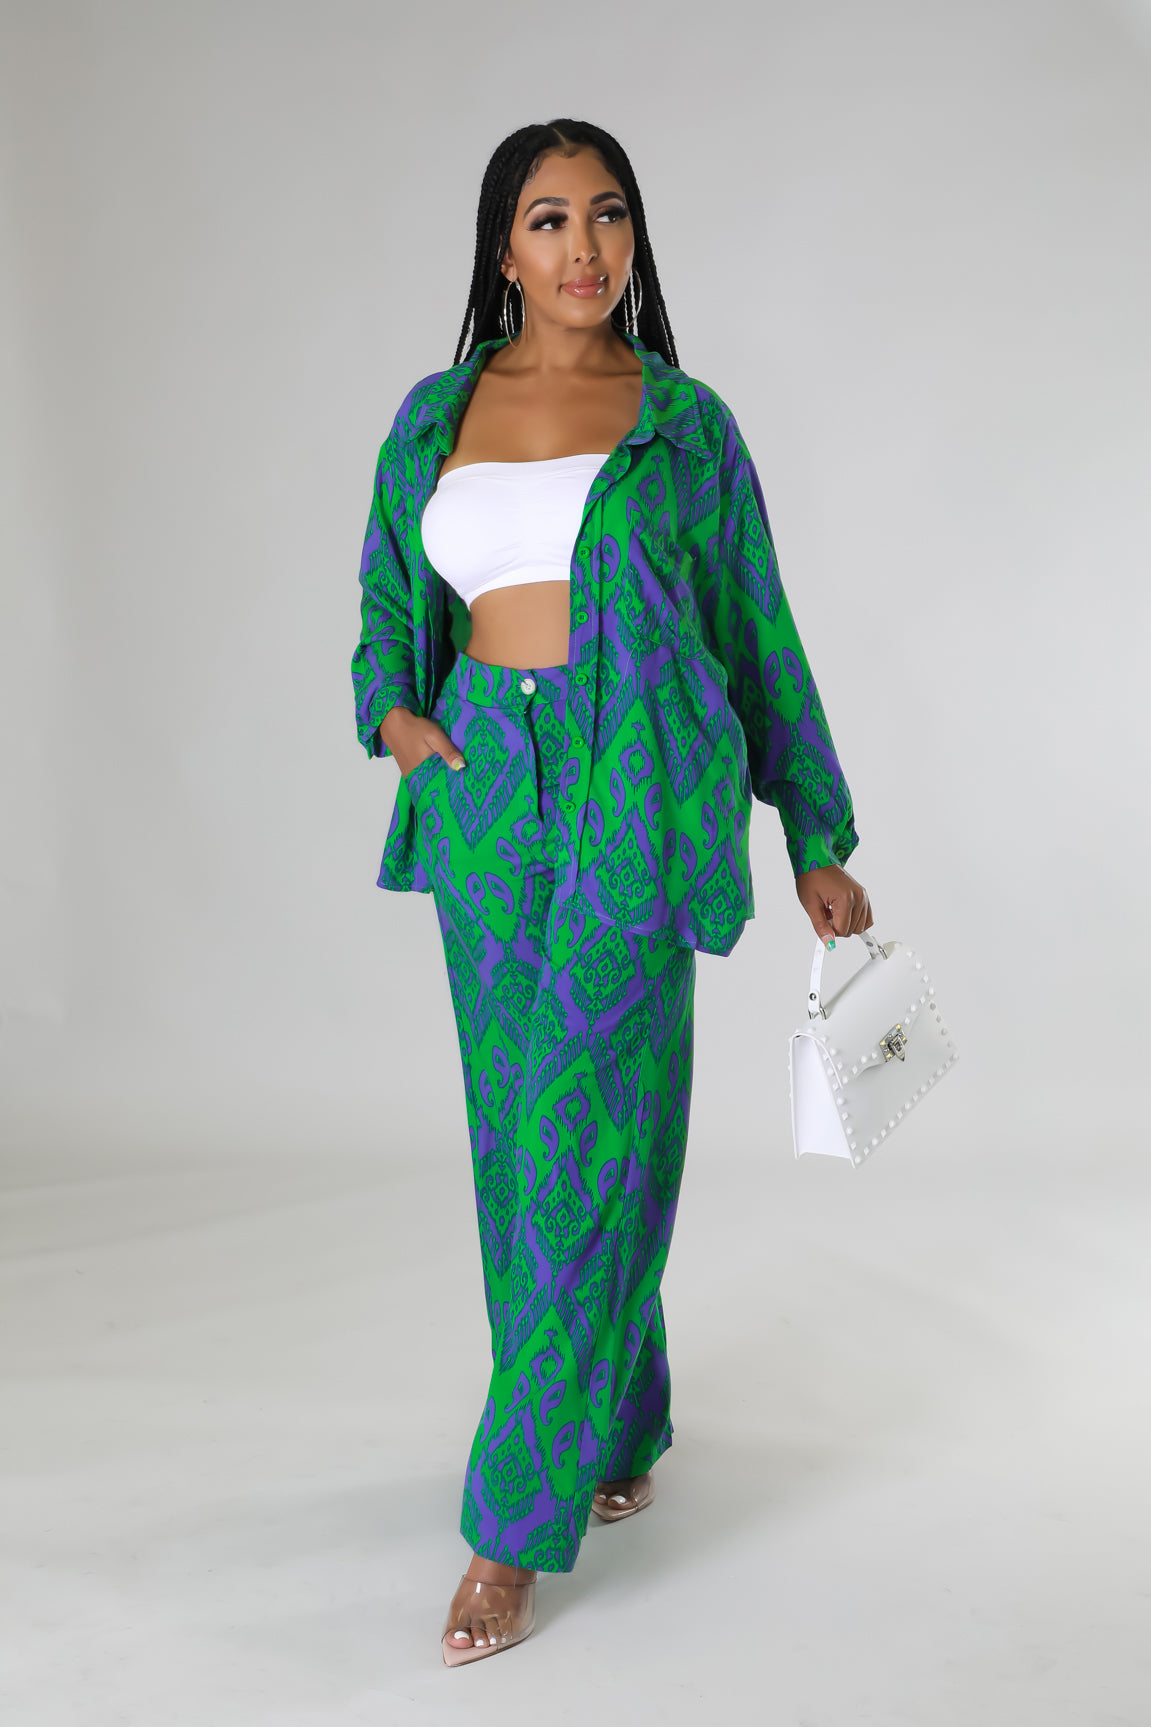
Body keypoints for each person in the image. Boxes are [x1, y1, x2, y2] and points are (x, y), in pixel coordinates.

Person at [350, 118, 874, 1667]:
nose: (584, 248)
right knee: (525, 1144)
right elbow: (386, 594)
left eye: (609, 215)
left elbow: (759, 628)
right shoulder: (434, 413)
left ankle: (509, 1527)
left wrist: (817, 831)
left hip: (636, 793)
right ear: (502, 250)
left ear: (635, 239)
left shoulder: (686, 427)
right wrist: (399, 722)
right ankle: (621, 1412)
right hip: (483, 800)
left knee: (593, 1133)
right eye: (549, 219)